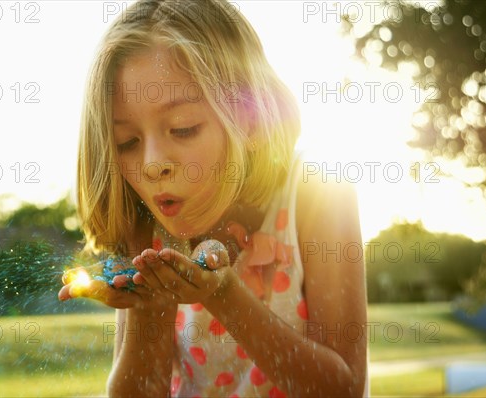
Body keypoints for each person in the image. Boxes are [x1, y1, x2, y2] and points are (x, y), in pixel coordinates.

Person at [58, 0, 368, 396]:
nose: (152, 166)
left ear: (252, 119)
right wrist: (150, 303)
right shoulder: (145, 224)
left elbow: (343, 389)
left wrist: (222, 294)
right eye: (127, 142)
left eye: (183, 129)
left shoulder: (319, 190)